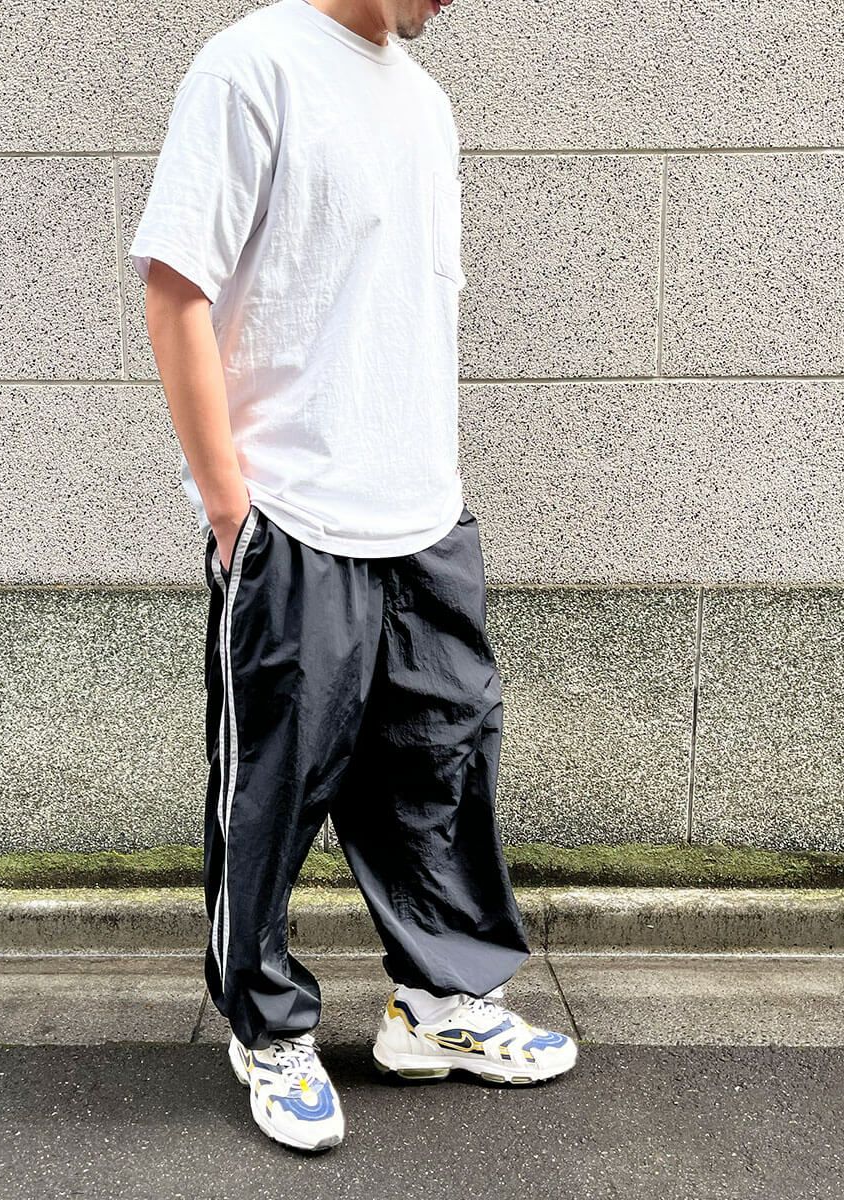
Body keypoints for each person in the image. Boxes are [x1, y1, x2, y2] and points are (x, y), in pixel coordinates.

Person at [128, 0, 577, 1154]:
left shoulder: (423, 103)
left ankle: (438, 1003)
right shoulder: (250, 69)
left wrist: (437, 490)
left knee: (441, 770)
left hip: (422, 516)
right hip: (295, 514)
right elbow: (175, 290)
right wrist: (233, 512)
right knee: (272, 789)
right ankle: (267, 1030)